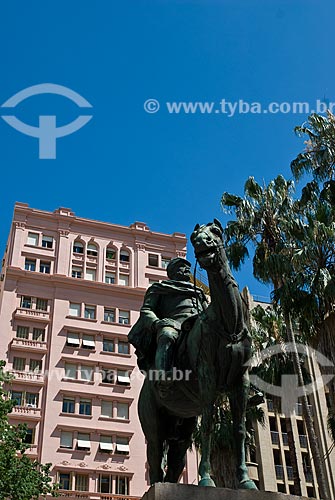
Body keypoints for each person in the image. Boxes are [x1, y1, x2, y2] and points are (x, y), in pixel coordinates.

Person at [128, 257, 208, 382]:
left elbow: (207, 311)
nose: (187, 269)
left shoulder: (198, 291)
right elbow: (146, 310)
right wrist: (156, 323)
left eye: (188, 267)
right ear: (173, 271)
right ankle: (163, 377)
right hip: (175, 324)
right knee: (167, 335)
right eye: (182, 266)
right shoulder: (160, 288)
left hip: (198, 323)